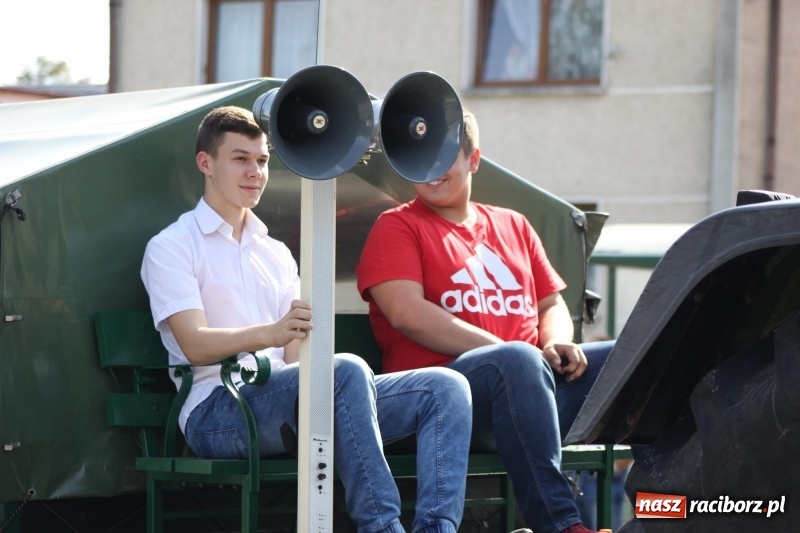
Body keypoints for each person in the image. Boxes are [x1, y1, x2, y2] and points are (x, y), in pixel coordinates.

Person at [140, 105, 474, 533]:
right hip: (217, 410)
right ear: (205, 163)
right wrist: (272, 333)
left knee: (445, 387)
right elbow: (193, 343)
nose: (255, 172)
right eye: (240, 159)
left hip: (288, 399)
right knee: (346, 369)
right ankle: (382, 527)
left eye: (262, 161)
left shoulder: (275, 253)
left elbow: (299, 360)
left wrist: (313, 366)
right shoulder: (172, 246)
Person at [356, 108, 614, 533]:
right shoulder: (397, 226)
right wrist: (506, 351)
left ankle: (667, 512)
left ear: (473, 159)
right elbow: (406, 313)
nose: (431, 172)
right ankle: (562, 526)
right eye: (420, 162)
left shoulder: (514, 224)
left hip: (533, 389)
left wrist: (555, 342)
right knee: (514, 361)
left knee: (634, 356)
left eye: (443, 158)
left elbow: (551, 305)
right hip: (450, 401)